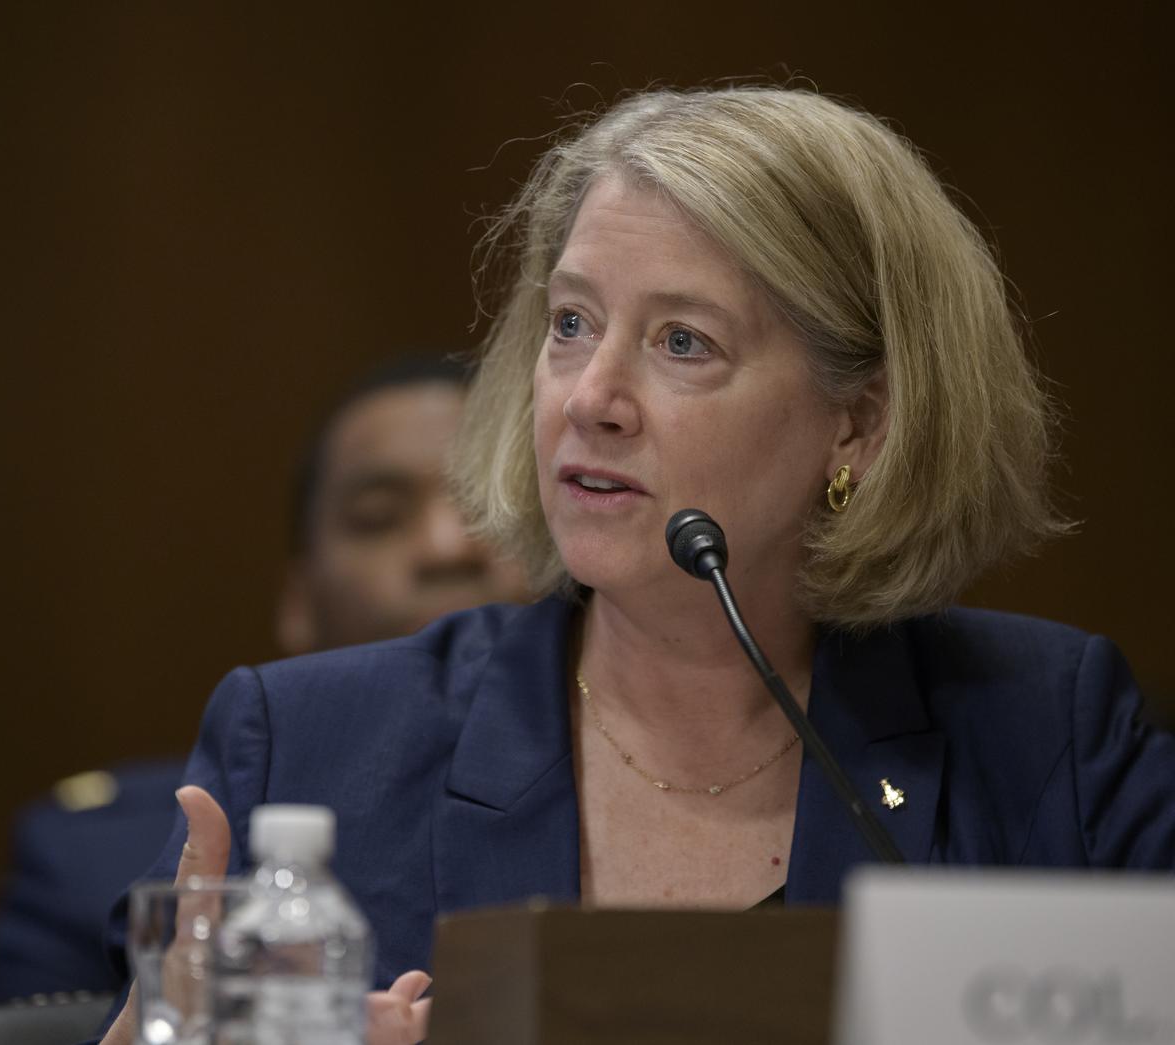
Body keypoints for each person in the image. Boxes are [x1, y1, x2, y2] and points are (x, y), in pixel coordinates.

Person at [97, 86, 1175, 1044]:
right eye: (570, 324)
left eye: (681, 344)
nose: (587, 398)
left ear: (857, 422)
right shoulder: (310, 746)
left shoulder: (1048, 743)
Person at [0, 357, 529, 1003]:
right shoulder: (95, 857)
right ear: (298, 601)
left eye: (488, 505)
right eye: (379, 515)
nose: (446, 546)